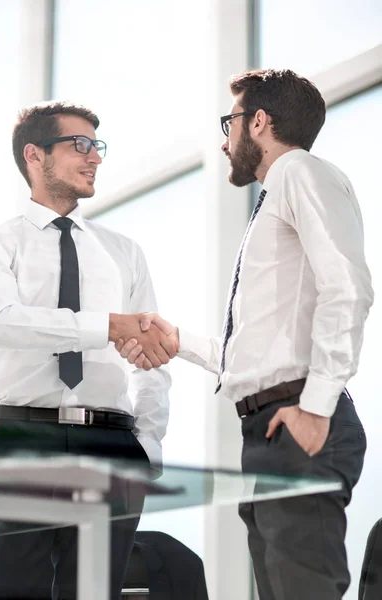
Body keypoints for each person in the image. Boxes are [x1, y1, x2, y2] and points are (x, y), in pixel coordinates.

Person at [115, 69, 374, 599]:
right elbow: (261, 352)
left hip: (301, 421)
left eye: (229, 121)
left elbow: (348, 288)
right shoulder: (277, 197)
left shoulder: (301, 172)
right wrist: (177, 340)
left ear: (258, 121)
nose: (225, 137)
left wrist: (317, 408)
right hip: (269, 428)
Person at [0, 100, 177, 600]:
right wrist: (106, 326)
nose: (95, 157)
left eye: (96, 146)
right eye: (79, 145)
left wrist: (148, 447)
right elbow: (3, 324)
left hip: (112, 447)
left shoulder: (125, 253)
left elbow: (153, 357)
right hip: (24, 441)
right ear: (34, 155)